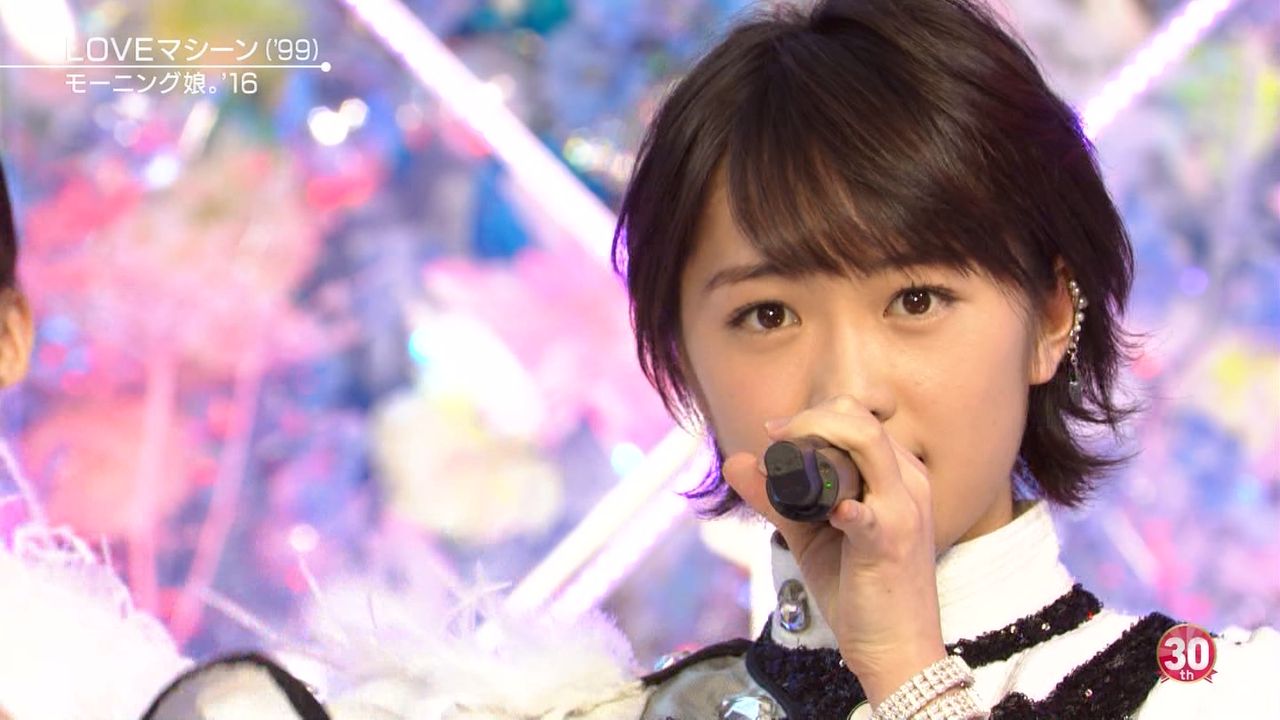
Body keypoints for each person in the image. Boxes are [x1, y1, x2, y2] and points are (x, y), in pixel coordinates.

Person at [615, 0, 1280, 718]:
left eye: (916, 301)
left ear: (1050, 317)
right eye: (768, 315)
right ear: (683, 358)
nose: (848, 390)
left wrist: (906, 672)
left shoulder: (1219, 698)